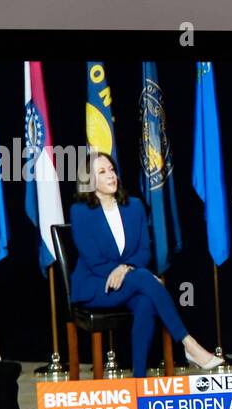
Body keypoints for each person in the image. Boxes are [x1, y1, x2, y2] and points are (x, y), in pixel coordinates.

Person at [69, 151, 222, 378]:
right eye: (102, 172)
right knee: (145, 278)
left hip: (127, 280)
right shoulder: (80, 212)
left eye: (111, 169)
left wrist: (124, 268)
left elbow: (144, 251)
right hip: (96, 285)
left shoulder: (134, 206)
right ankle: (189, 344)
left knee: (145, 302)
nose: (111, 175)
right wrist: (126, 272)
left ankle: (138, 380)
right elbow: (93, 260)